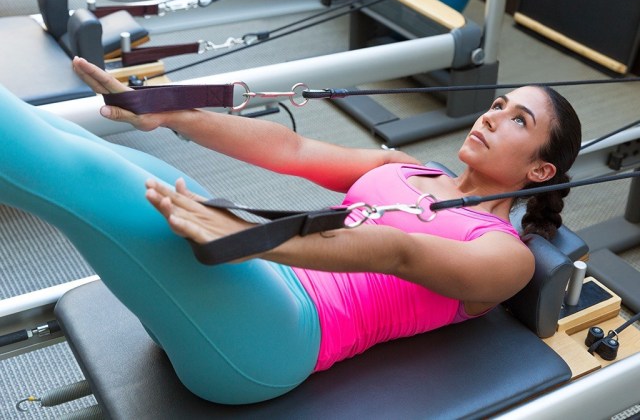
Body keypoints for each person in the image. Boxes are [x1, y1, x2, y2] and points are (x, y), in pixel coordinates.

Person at [0, 56, 580, 405]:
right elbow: (294, 149)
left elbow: (399, 251)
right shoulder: (407, 168)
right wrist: (171, 112)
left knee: (96, 178)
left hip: (280, 342)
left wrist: (250, 234)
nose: (491, 116)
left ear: (540, 170)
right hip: (257, 280)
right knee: (93, 151)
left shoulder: (506, 255)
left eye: (517, 121)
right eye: (499, 104)